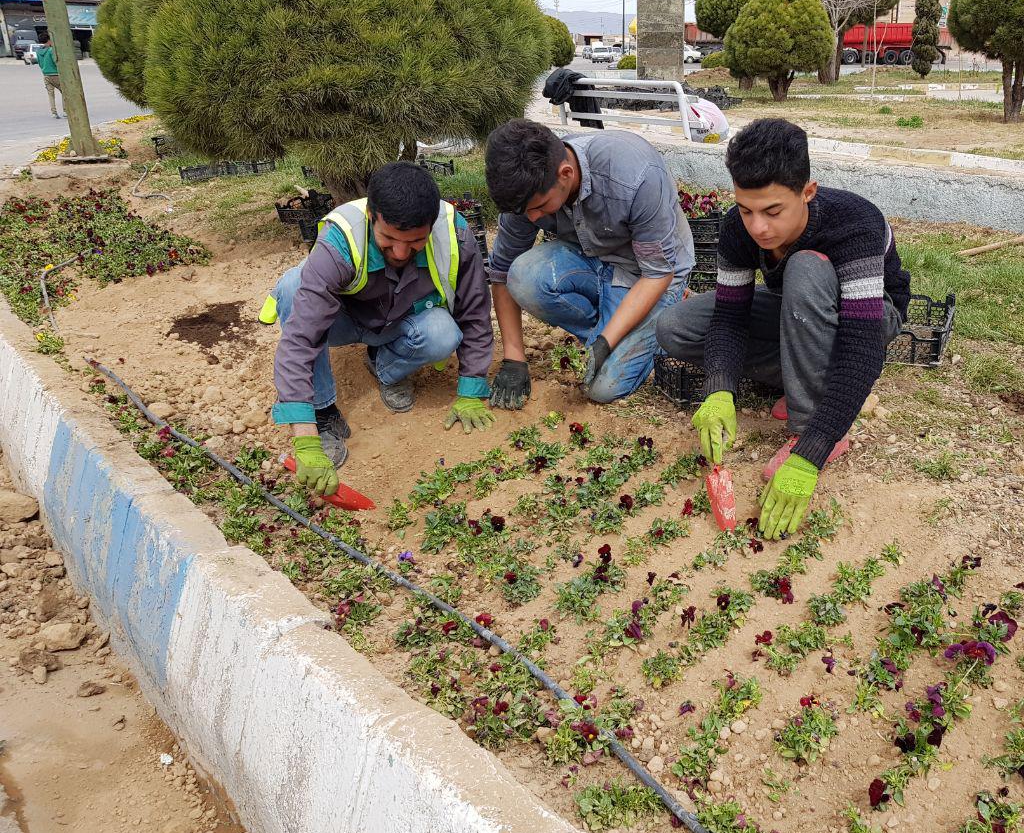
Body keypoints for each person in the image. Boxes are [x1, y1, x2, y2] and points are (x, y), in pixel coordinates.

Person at [656, 118, 910, 540]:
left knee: (806, 267)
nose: (758, 227)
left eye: (773, 211)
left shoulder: (856, 223)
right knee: (676, 326)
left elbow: (862, 347)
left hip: (870, 316)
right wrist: (719, 387)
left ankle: (808, 421)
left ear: (807, 191)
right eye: (746, 209)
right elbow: (729, 317)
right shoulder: (738, 230)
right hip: (801, 309)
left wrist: (813, 450)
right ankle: (801, 381)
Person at [269, 161, 495, 495]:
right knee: (291, 286)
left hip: (400, 322)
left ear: (430, 226)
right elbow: (301, 338)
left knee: (444, 332)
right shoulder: (340, 239)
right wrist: (305, 441)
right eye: (389, 239)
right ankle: (321, 411)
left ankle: (384, 366)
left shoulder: (453, 232)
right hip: (341, 322)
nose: (401, 252)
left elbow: (474, 310)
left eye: (416, 241)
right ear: (372, 216)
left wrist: (472, 388)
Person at [483, 119, 693, 408]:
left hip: (648, 276)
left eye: (540, 208)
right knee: (522, 276)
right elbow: (502, 272)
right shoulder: (527, 189)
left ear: (565, 174)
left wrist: (605, 342)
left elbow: (657, 273)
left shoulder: (635, 174)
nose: (532, 219)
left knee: (603, 389)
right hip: (593, 262)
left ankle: (660, 316)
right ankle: (612, 328)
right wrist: (514, 358)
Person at [35, 33, 63, 119]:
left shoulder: (38, 51)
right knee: (64, 92)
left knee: (51, 95)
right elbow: (55, 62)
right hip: (55, 74)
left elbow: (39, 63)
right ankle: (65, 111)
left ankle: (54, 112)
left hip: (46, 75)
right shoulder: (51, 50)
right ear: (49, 40)